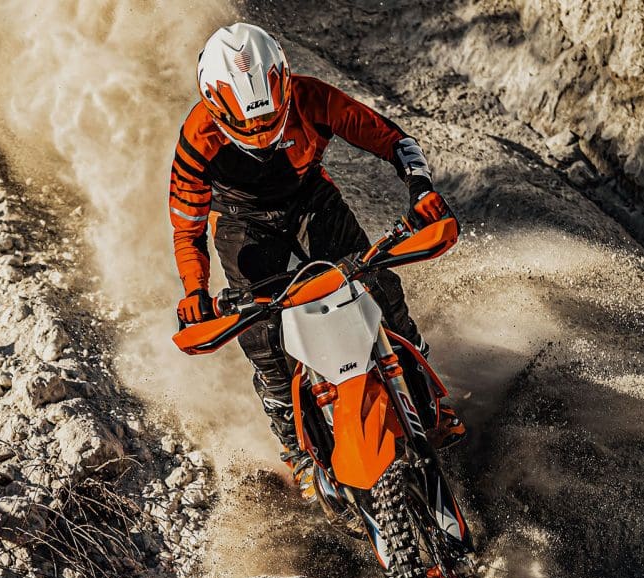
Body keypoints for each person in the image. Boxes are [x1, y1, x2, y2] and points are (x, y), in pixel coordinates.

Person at [169, 23, 464, 502]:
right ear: (216, 108)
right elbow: (187, 229)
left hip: (311, 199)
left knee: (378, 285)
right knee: (261, 337)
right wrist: (194, 291)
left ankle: (428, 402)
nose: (262, 134)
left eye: (271, 119)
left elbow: (392, 140)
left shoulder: (313, 97)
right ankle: (299, 453)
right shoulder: (197, 138)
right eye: (248, 126)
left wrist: (421, 188)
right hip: (242, 222)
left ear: (285, 85)